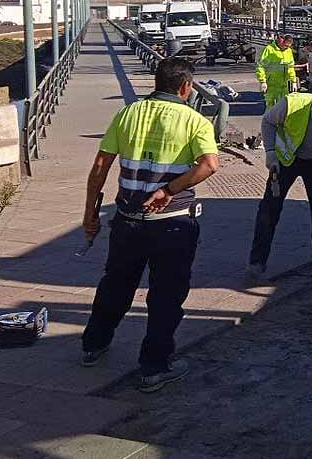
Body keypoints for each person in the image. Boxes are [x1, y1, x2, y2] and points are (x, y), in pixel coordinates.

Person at [80, 57, 221, 393]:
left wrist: (89, 213)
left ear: (157, 82)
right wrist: (169, 190)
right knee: (166, 297)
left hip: (127, 221)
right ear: (185, 87)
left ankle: (94, 345)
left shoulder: (128, 113)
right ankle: (154, 368)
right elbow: (209, 165)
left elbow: (100, 166)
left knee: (115, 284)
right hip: (172, 224)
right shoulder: (194, 120)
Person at [247, 93, 312, 286]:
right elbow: (268, 121)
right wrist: (270, 153)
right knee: (269, 210)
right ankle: (257, 262)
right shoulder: (293, 104)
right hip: (287, 160)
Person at [256, 33, 297, 108]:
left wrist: (293, 81)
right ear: (281, 41)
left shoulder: (288, 51)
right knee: (271, 106)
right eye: (286, 45)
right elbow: (261, 66)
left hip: (284, 85)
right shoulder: (269, 50)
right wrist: (263, 81)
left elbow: (290, 67)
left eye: (288, 46)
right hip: (272, 85)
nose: (287, 47)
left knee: (283, 106)